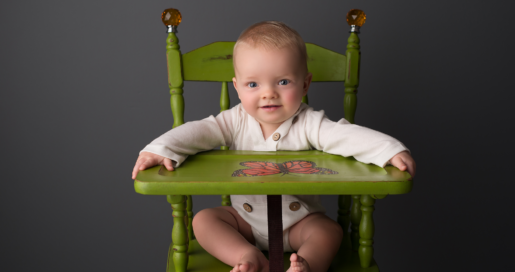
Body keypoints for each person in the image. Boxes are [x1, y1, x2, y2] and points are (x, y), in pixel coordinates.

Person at [132, 21, 416, 272]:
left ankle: (307, 265)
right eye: (253, 84)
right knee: (203, 221)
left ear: (305, 84)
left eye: (283, 81)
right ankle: (248, 256)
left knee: (329, 231)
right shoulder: (233, 121)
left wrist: (388, 150)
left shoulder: (309, 123)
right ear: (237, 87)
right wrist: (162, 148)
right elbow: (197, 131)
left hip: (298, 223)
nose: (268, 93)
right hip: (243, 222)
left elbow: (346, 136)